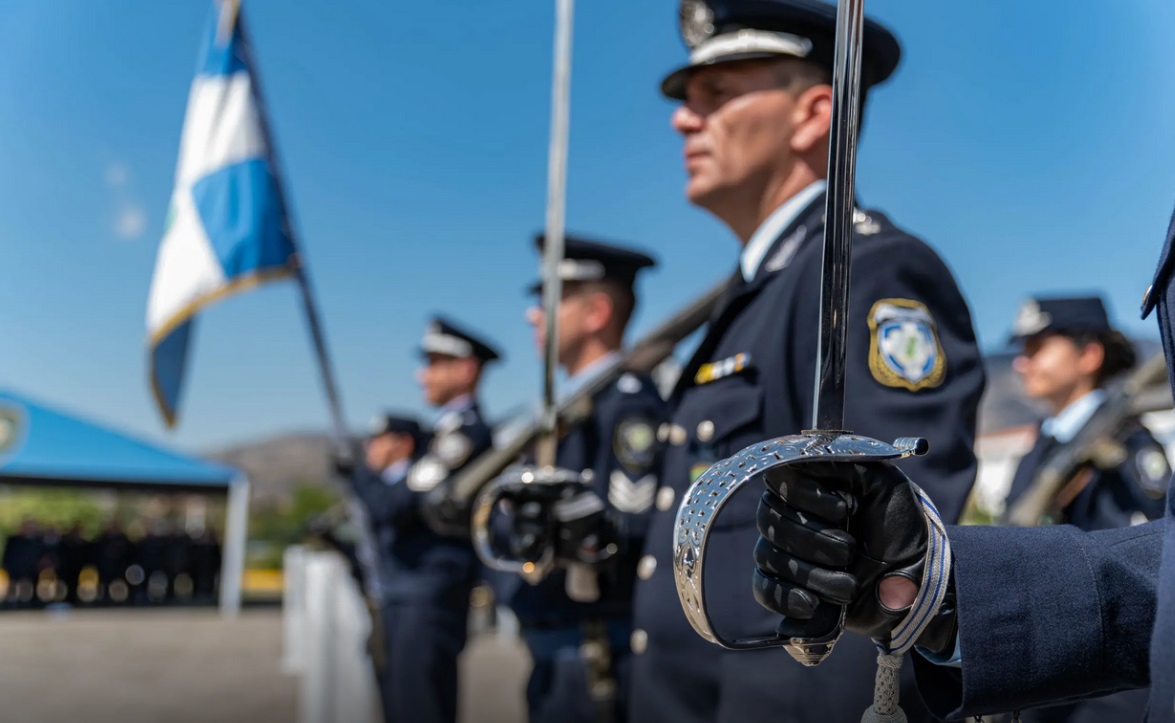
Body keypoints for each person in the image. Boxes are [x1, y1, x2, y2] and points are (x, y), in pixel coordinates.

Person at [628, 1, 987, 721]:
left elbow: (885, 568)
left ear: (811, 115)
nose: (681, 119)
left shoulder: (870, 271)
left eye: (716, 95)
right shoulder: (753, 294)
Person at [491, 234, 668, 723]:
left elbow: (624, 526)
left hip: (594, 650)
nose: (533, 314)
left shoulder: (626, 404)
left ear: (596, 314)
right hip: (557, 646)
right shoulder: (563, 410)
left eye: (553, 299)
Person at [343, 316, 500, 723]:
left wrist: (360, 476)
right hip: (407, 591)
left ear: (466, 369)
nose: (421, 375)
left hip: (428, 593)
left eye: (433, 363)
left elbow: (393, 506)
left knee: (419, 707)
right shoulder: (441, 436)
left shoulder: (465, 437)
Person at [1003, 295, 1169, 539]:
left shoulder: (1127, 438)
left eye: (1036, 348)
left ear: (1089, 355)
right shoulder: (1043, 442)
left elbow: (1163, 520)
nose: (1021, 363)